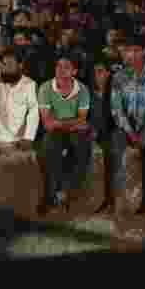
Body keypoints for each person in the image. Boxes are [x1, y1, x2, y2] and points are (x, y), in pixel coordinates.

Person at [107, 34, 145, 222]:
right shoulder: (118, 77)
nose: (133, 54)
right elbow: (116, 110)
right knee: (115, 149)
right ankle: (118, 202)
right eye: (130, 50)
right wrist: (130, 133)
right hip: (125, 128)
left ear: (144, 52)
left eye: (137, 50)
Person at [37, 52, 92, 214]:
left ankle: (71, 194)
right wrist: (72, 123)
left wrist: (60, 123)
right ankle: (51, 196)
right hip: (56, 132)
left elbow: (82, 122)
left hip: (71, 131)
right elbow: (47, 123)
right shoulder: (45, 88)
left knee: (83, 148)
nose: (61, 70)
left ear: (74, 71)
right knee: (49, 147)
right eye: (58, 66)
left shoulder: (82, 90)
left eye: (66, 67)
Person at [0, 48, 38, 148]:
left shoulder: (29, 84)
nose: (6, 68)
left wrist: (28, 137)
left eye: (10, 64)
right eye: (4, 64)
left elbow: (33, 111)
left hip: (18, 141)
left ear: (20, 65)